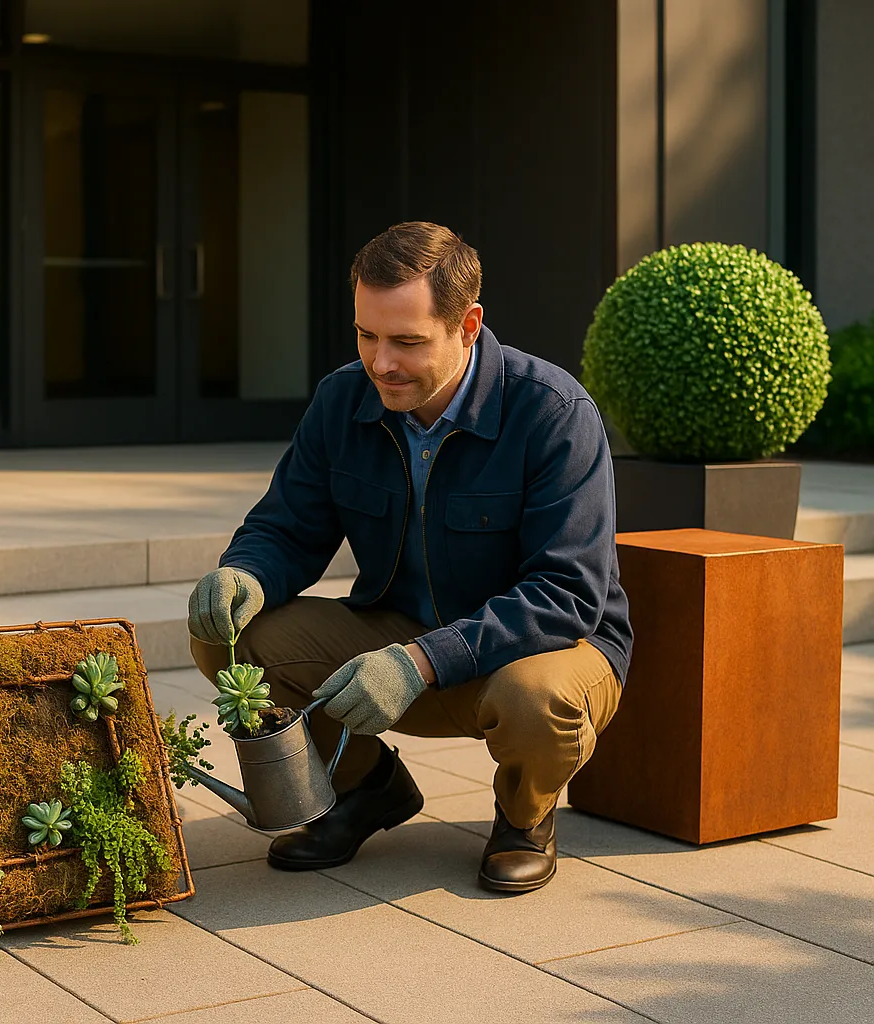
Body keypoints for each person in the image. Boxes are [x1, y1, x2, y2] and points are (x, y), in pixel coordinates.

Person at [187, 221, 632, 893]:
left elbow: (566, 593)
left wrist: (422, 661)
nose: (381, 363)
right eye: (366, 335)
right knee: (227, 637)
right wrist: (244, 572)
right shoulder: (343, 399)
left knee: (535, 699)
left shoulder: (552, 412)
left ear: (469, 324)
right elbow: (286, 527)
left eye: (407, 341)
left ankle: (525, 817)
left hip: (540, 651)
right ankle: (365, 790)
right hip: (402, 633)